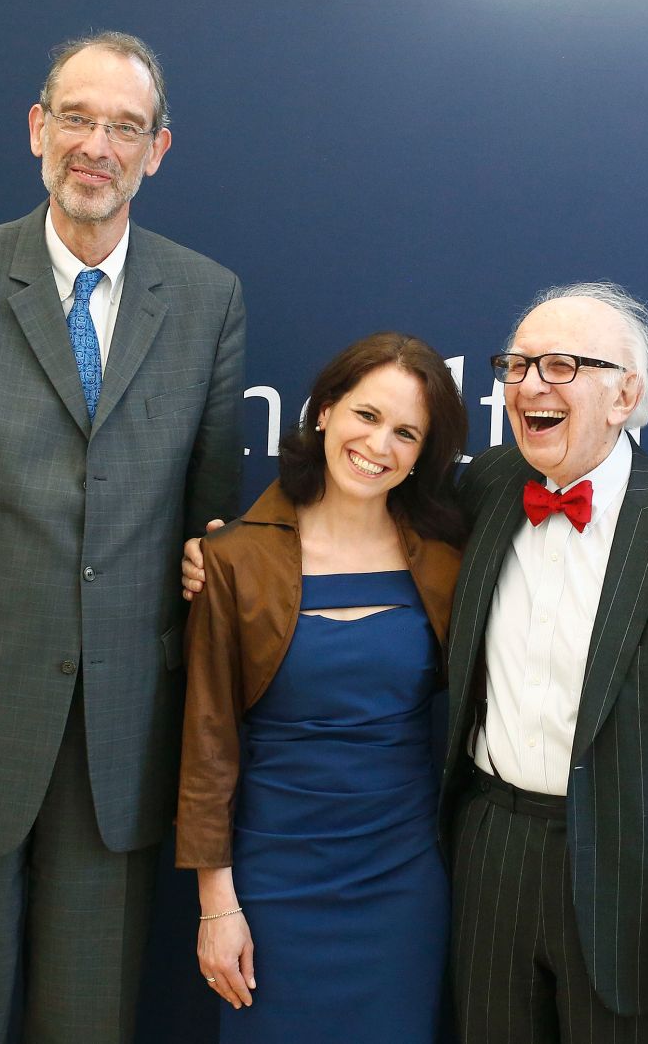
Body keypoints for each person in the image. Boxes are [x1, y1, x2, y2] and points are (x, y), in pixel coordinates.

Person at [0, 30, 245, 1042]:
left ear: (158, 148)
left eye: (124, 126)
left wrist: (211, 552)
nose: (96, 145)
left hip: (121, 742)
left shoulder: (206, 299)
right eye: (76, 117)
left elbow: (205, 519)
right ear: (37, 129)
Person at [442, 282, 648, 1043]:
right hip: (491, 847)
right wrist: (235, 549)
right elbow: (360, 518)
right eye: (517, 365)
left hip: (630, 884)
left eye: (560, 366)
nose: (530, 386)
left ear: (625, 394)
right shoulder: (485, 486)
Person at [176, 332, 466, 1042]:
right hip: (272, 879)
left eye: (407, 432)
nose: (379, 445)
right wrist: (217, 904)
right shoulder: (233, 559)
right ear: (325, 412)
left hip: (402, 882)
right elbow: (207, 745)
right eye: (366, 416)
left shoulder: (449, 562)